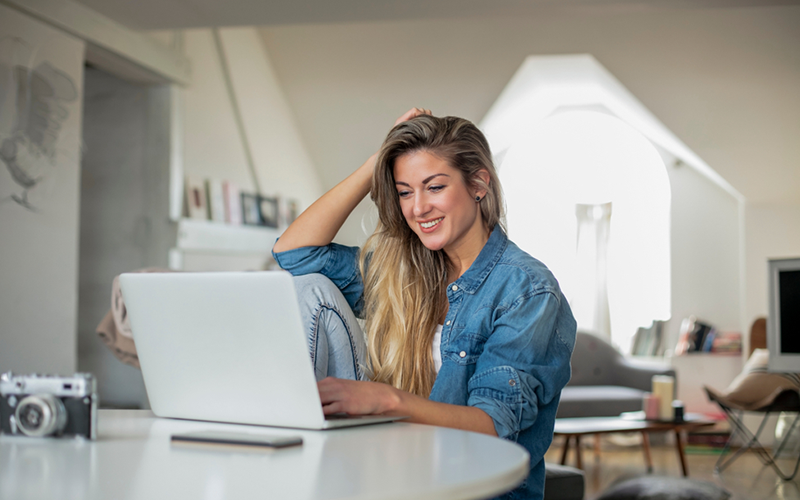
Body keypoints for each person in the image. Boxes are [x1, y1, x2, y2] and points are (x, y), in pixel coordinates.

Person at [272, 108, 576, 500]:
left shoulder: (527, 290)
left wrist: (386, 401)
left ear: (478, 184)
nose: (418, 208)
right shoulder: (402, 272)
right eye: (404, 192)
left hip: (472, 491)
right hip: (393, 475)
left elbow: (493, 426)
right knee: (310, 287)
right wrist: (376, 162)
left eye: (434, 187)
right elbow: (294, 254)